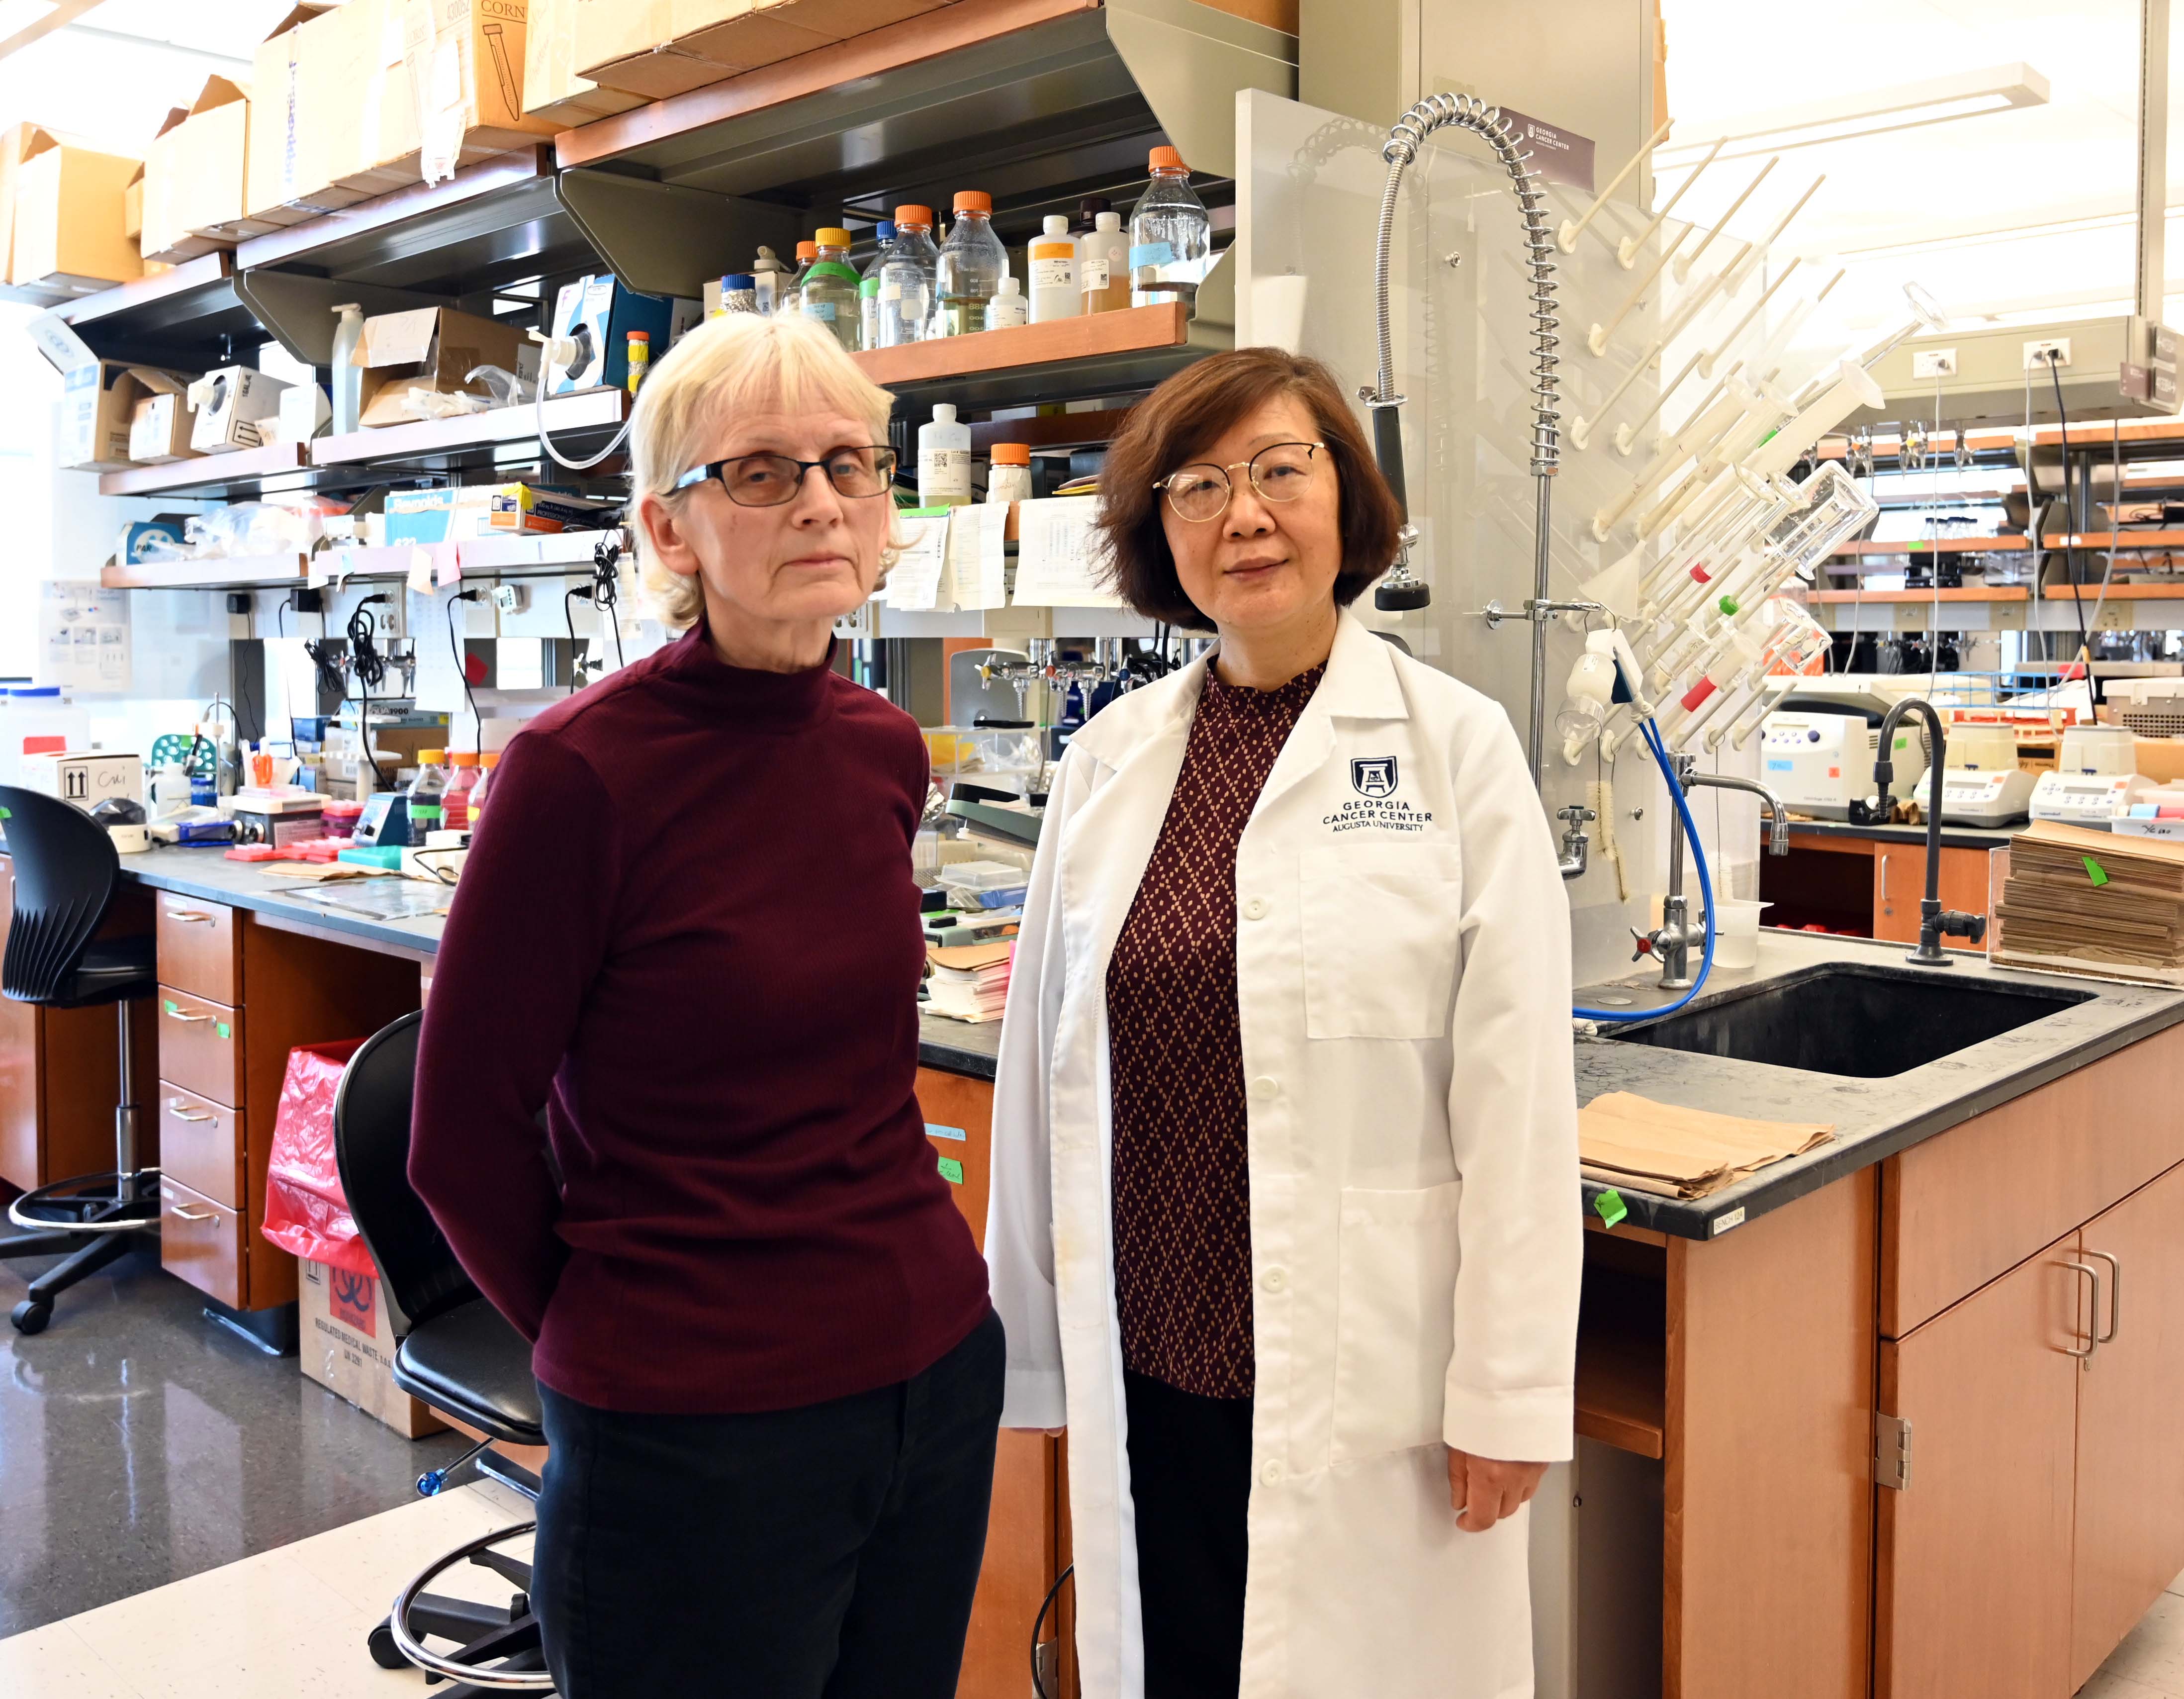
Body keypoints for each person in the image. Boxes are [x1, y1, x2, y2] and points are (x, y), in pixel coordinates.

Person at [410, 312, 1002, 1699]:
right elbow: (460, 1138)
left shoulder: (879, 748)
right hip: (692, 1426)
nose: (818, 501)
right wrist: (624, 1332)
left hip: (927, 1373)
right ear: (669, 531)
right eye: (759, 472)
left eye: (850, 465)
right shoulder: (579, 775)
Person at [985, 346, 1581, 1699]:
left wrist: (1506, 1389)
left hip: (1371, 1364)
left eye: (1277, 471)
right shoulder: (1111, 758)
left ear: (1345, 503)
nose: (1242, 515)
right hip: (1152, 1352)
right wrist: (1029, 1337)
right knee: (1183, 1663)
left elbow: (1519, 1100)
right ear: (1161, 538)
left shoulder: (1455, 749)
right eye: (1197, 486)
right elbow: (1043, 1063)